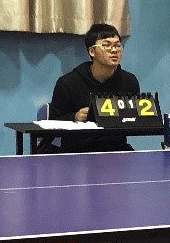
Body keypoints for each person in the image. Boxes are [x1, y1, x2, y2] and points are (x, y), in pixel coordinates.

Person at [45, 22, 142, 153]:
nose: (114, 50)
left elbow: (134, 121)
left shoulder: (129, 81)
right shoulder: (68, 83)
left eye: (118, 45)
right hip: (77, 151)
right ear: (92, 51)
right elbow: (52, 124)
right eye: (106, 45)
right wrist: (75, 117)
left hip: (117, 149)